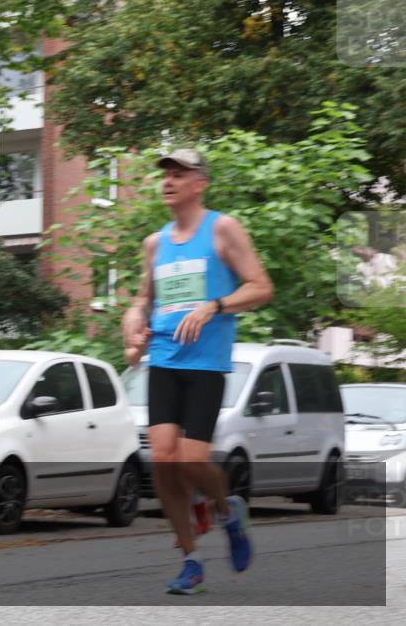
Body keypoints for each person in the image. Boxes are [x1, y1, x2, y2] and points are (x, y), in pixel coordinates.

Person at [122, 149, 273, 595]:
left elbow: (261, 287)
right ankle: (191, 562)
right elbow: (143, 297)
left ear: (200, 183)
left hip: (205, 362)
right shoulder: (155, 243)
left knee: (190, 458)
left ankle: (228, 510)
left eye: (179, 173)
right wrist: (133, 320)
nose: (168, 180)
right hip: (165, 358)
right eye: (166, 174)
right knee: (163, 459)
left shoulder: (222, 228)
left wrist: (215, 305)